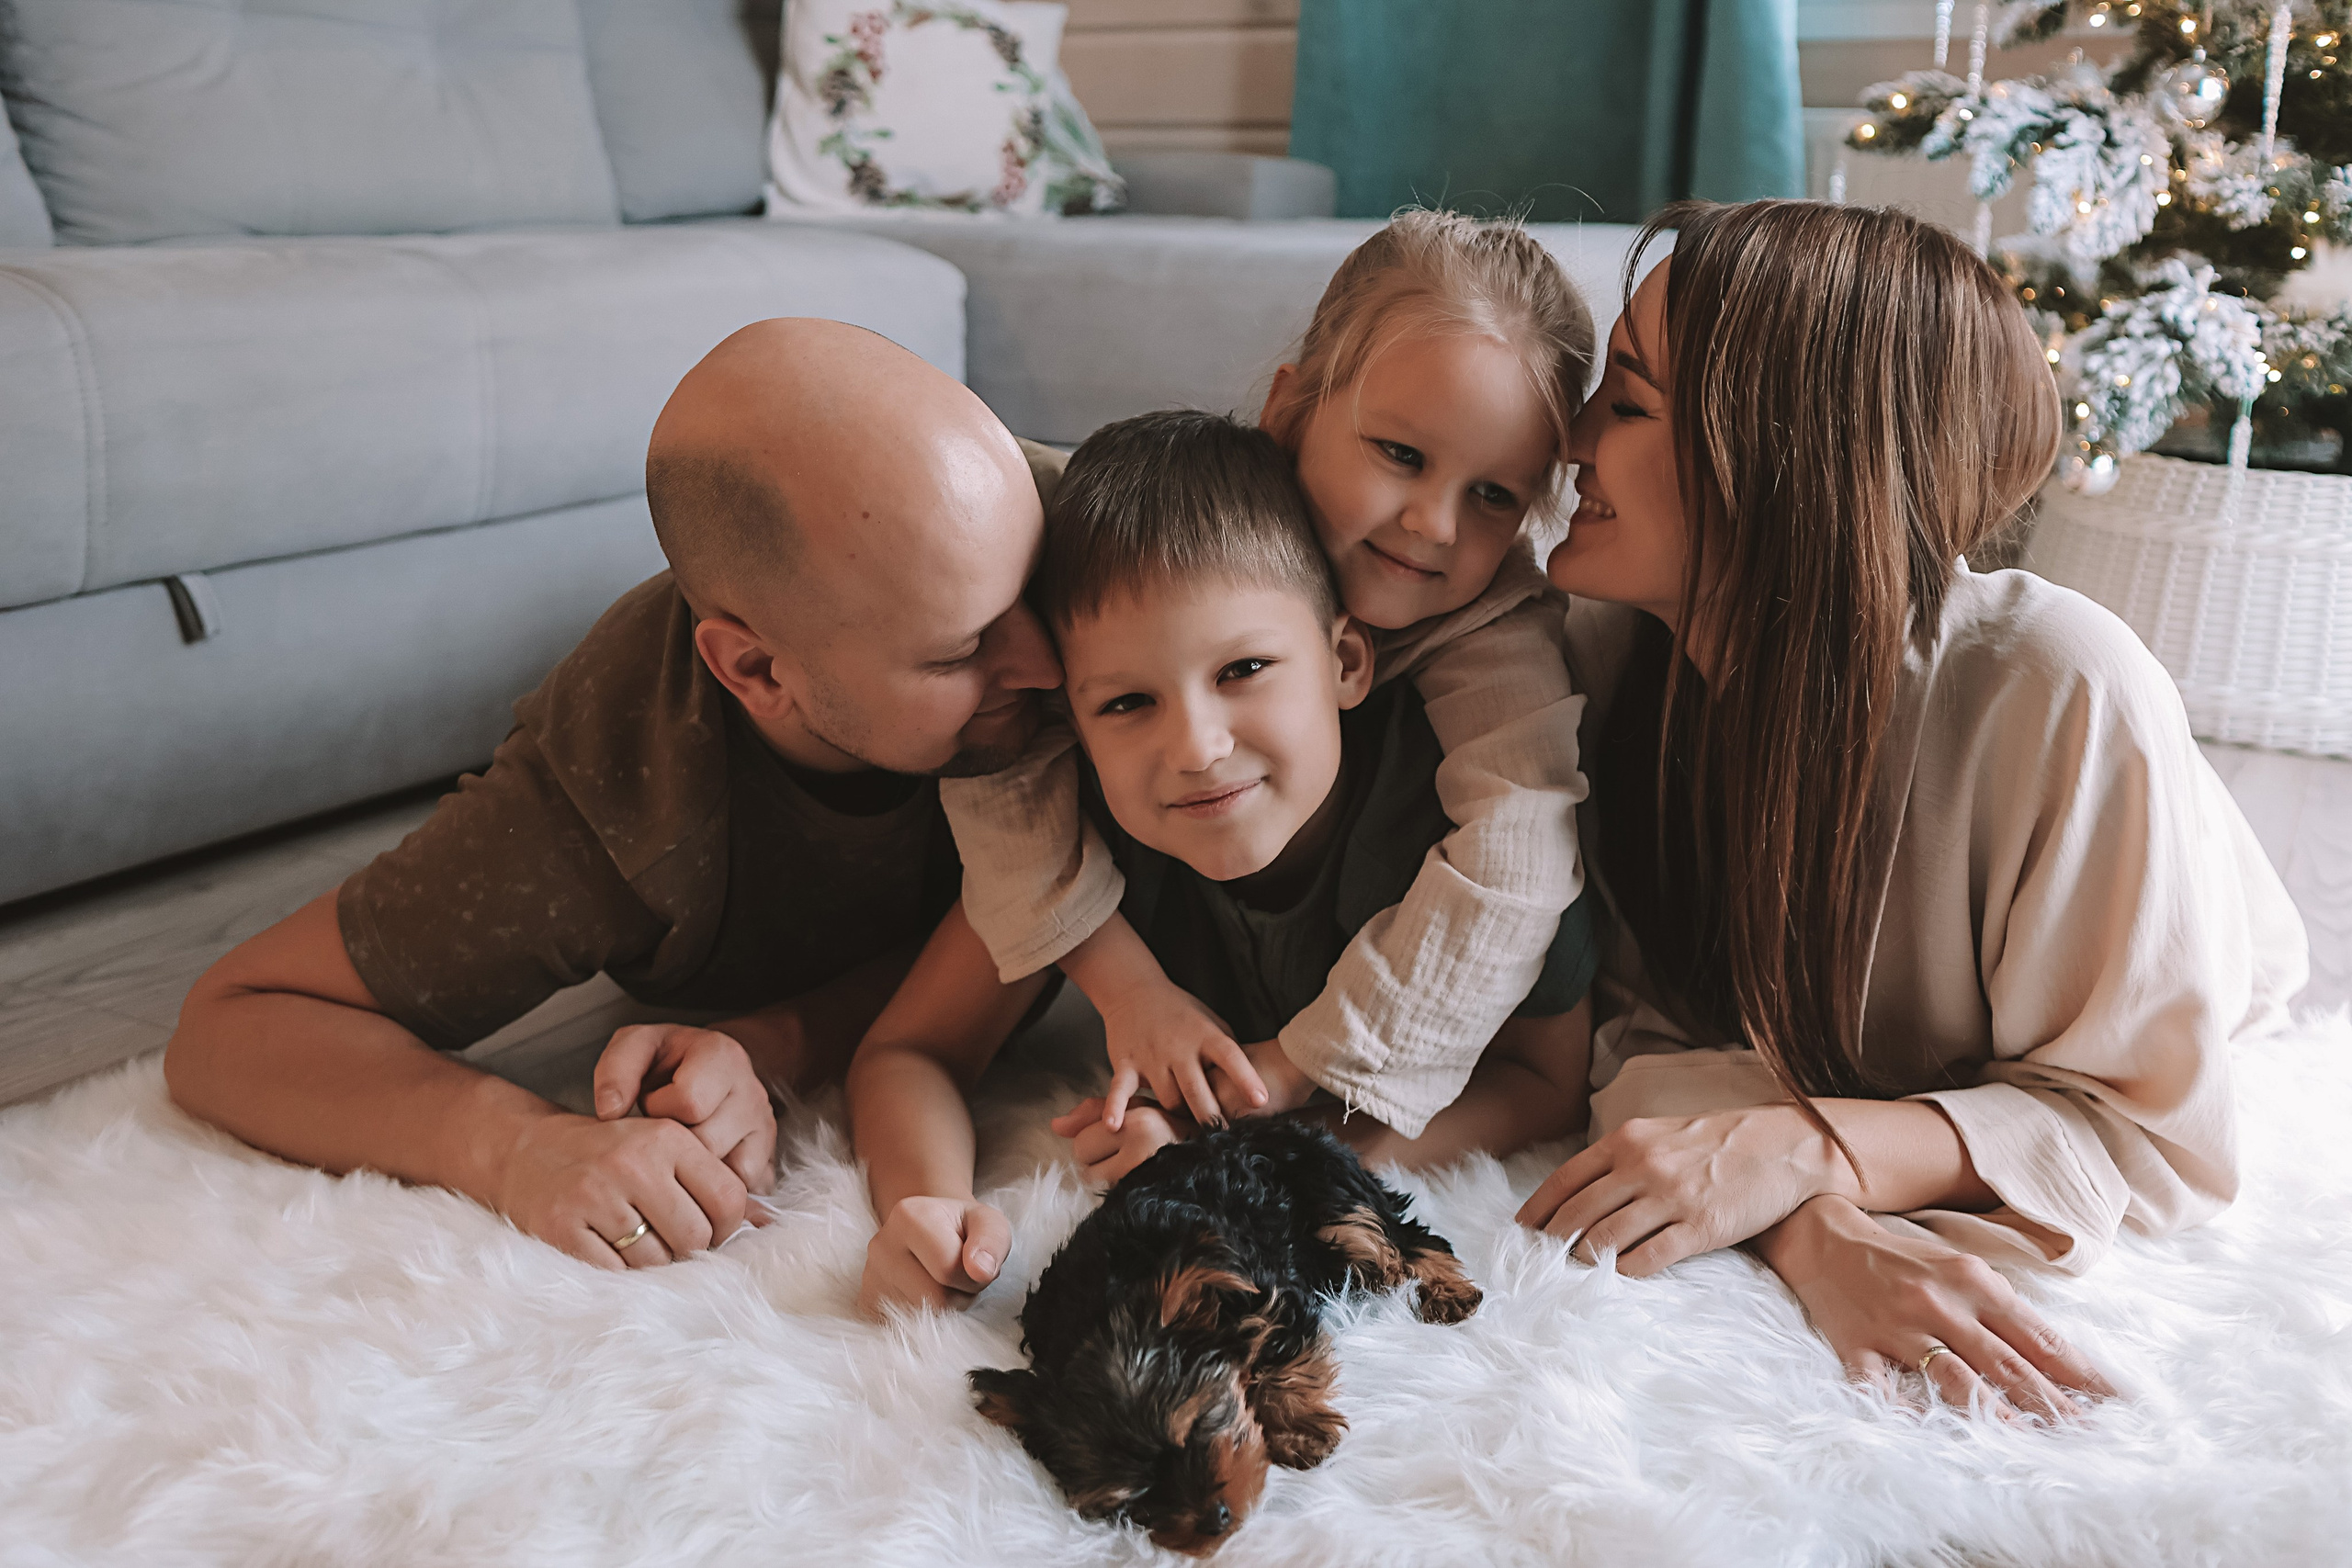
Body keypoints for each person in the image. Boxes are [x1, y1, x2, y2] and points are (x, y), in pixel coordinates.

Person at [1520, 199, 2309, 1419]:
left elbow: (2147, 1132)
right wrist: (1818, 1230)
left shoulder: (2059, 682)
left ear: (1784, 454)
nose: (1566, 438)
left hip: (2171, 981)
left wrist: (1803, 1149)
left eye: (1625, 403)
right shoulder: (1608, 658)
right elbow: (1638, 1039)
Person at [164, 319, 1065, 1271]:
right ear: (757, 670)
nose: (1052, 664)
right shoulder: (612, 798)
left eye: (1036, 592)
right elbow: (233, 1024)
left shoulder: (1096, 537)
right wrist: (516, 1143)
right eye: (961, 652)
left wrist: (779, 1042)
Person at [848, 411, 1598, 1317]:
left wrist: (1246, 1161)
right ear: (1073, 731)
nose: (1198, 748)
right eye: (1126, 702)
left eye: (1243, 668)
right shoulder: (1076, 850)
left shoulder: (1457, 827)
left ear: (1346, 660)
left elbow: (1545, 1080)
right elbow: (910, 1049)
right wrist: (928, 1204)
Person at [945, 210, 1595, 1155]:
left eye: (1494, 494)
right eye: (1401, 455)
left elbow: (1519, 853)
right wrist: (1128, 989)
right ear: (1289, 411)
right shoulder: (1149, 550)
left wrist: (1292, 1072)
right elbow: (998, 750)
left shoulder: (1491, 619)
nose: (1435, 526)